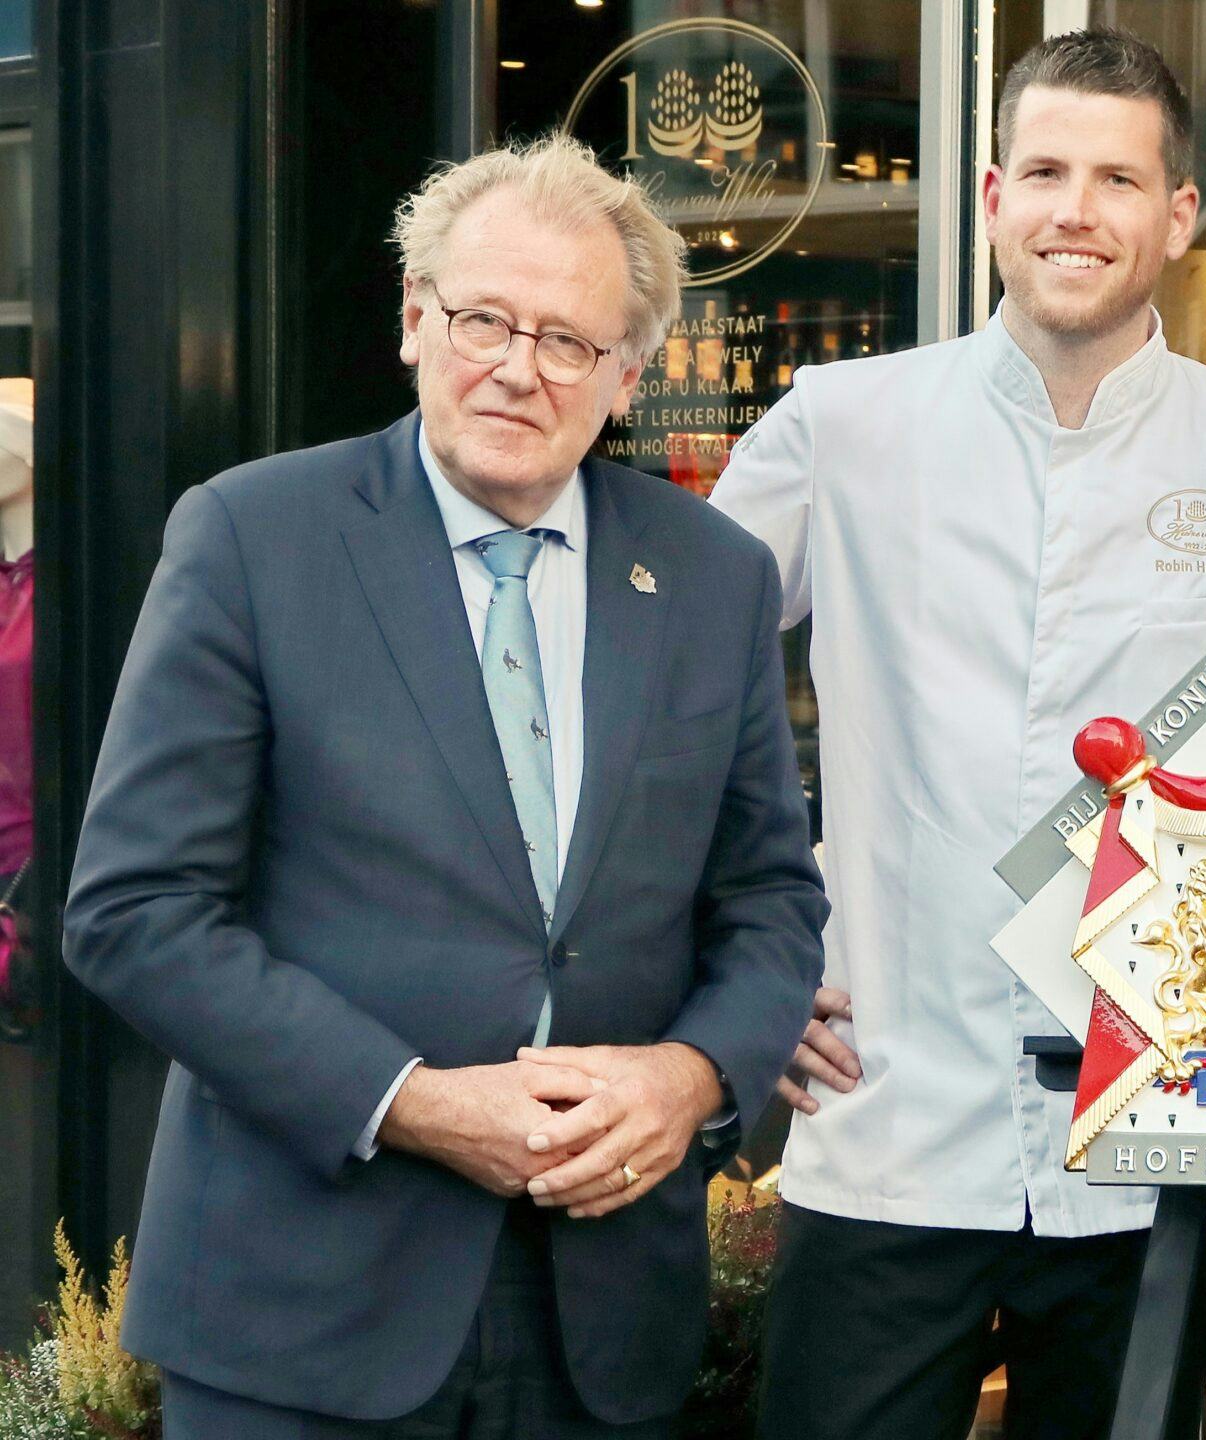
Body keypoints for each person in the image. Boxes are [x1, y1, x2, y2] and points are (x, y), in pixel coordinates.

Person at [62, 135, 828, 1438]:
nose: (517, 369)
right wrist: (410, 1102)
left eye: (569, 341)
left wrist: (691, 1081)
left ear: (628, 374)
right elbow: (134, 911)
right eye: (484, 320)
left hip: (601, 1322)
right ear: (417, 320)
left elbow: (768, 903)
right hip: (301, 1311)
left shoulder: (712, 576)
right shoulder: (253, 537)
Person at [710, 29, 1206, 1440]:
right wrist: (732, 964)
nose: (1076, 209)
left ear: (1181, 215)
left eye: (1118, 178)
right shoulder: (842, 421)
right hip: (882, 1122)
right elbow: (666, 694)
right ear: (992, 194)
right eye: (1046, 170)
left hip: (1148, 1146)